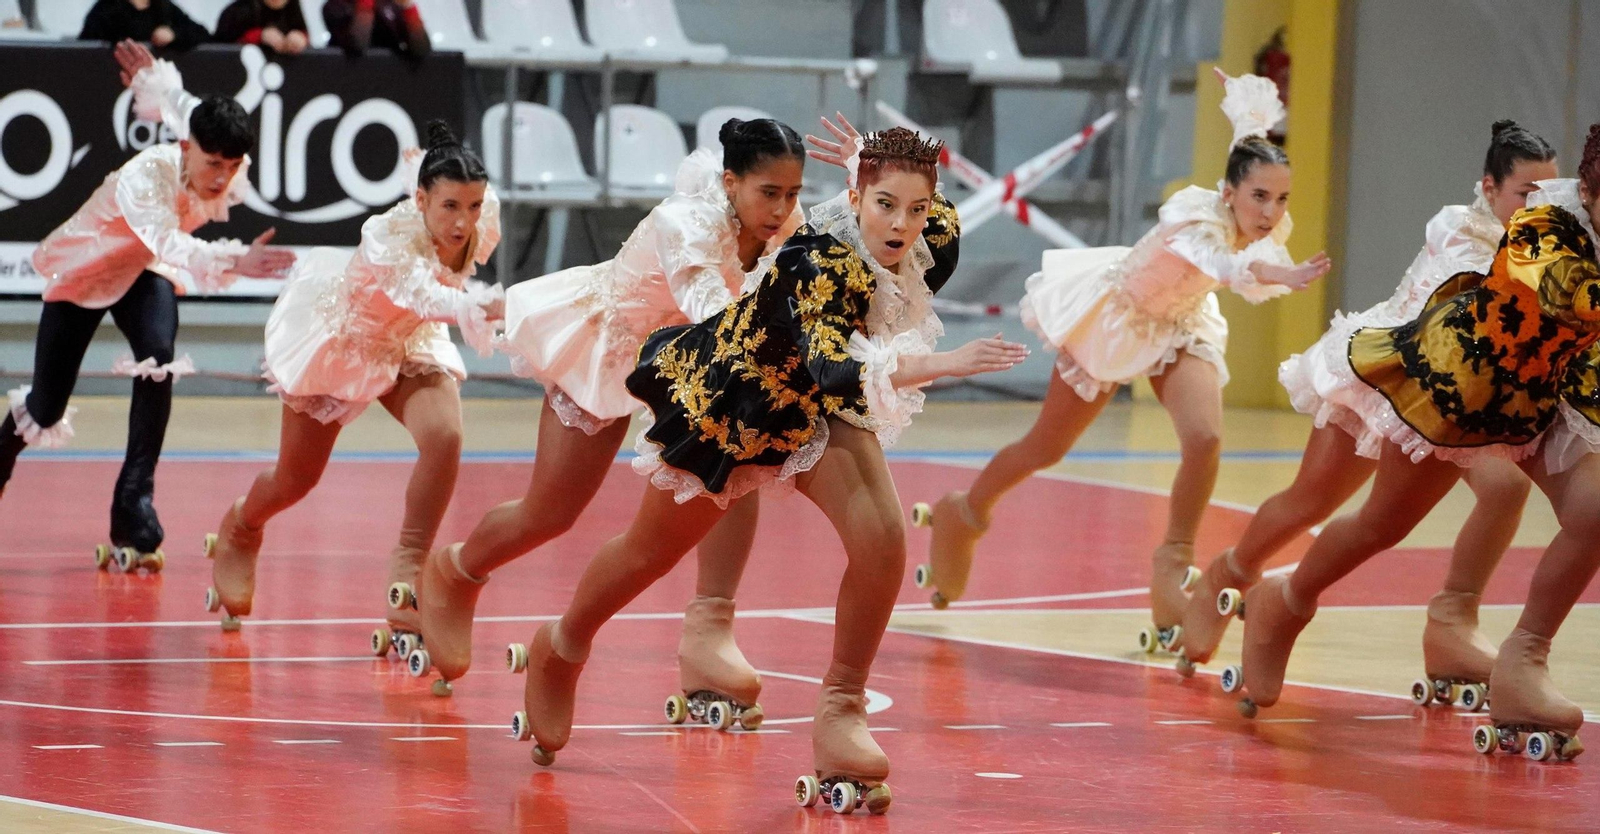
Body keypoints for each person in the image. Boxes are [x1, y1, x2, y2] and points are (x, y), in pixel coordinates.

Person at [509, 126, 1028, 817]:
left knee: (881, 541)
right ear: (855, 197)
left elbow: (927, 219)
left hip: (816, 411)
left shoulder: (919, 226)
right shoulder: (815, 258)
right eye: (885, 205)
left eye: (915, 208)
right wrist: (943, 363)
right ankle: (562, 645)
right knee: (647, 553)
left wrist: (880, 166)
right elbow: (833, 365)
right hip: (734, 405)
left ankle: (842, 710)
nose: (903, 224)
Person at [396, 119, 810, 718]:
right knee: (550, 513)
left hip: (689, 364)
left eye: (793, 194)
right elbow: (712, 314)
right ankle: (456, 570)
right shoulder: (685, 225)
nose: (781, 209)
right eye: (769, 193)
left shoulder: (785, 227)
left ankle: (709, 631)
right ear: (730, 181)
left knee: (735, 461)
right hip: (610, 349)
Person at [912, 69, 1329, 653]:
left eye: (1280, 198)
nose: (1269, 211)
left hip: (1180, 324)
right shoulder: (1193, 221)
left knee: (1205, 438)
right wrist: (1281, 271)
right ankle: (966, 511)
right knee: (1046, 447)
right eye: (1259, 196)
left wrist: (1247, 108)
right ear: (1229, 191)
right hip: (1117, 320)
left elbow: (1247, 143)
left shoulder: (1247, 200)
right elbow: (1227, 265)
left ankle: (1174, 565)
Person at [1224, 127, 1600, 765]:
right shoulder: (1545, 222)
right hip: (1465, 383)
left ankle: (1522, 659)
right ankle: (1282, 603)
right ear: (1590, 190)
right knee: (1382, 523)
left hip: (1550, 392)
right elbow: (1571, 298)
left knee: (1594, 511)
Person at [1175, 121, 1557, 690]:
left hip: (1458, 396)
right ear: (1489, 187)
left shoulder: (1539, 242)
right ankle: (1225, 576)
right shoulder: (1459, 232)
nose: (1538, 207)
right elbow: (1467, 320)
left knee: (1505, 488)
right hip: (1386, 374)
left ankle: (1452, 620)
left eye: (1548, 195)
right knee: (1310, 502)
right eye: (1527, 194)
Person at [202, 122, 502, 690]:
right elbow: (425, 294)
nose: (464, 222)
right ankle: (243, 525)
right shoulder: (387, 237)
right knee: (296, 481)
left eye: (474, 205)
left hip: (409, 340)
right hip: (348, 341)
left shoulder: (481, 217)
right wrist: (485, 308)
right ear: (420, 201)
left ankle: (411, 569)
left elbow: (437, 295)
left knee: (446, 437)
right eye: (449, 207)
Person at [0, 40, 294, 571]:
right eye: (213, 163)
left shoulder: (211, 149)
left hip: (143, 270)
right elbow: (170, 243)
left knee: (159, 360)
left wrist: (150, 78)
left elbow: (180, 102)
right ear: (186, 149)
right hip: (90, 267)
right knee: (44, 407)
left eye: (232, 164)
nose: (223, 177)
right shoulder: (144, 178)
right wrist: (233, 261)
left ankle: (132, 507)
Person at [80, 0, 210, 52]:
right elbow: (86, 45)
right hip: (116, 78)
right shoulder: (107, 8)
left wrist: (174, 34)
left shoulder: (164, 8)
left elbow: (201, 33)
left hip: (157, 81)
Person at [322, 0, 429, 59]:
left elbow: (421, 50)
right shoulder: (335, 6)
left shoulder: (390, 6)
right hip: (349, 78)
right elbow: (358, 44)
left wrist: (408, 8)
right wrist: (366, 4)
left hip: (390, 79)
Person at [213, 0, 309, 54]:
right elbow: (220, 48)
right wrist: (259, 36)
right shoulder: (237, 12)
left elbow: (303, 32)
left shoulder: (293, 9)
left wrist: (300, 38)